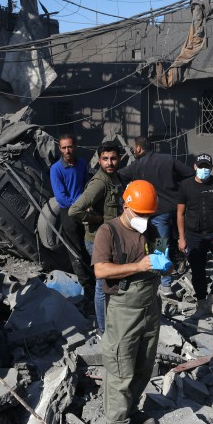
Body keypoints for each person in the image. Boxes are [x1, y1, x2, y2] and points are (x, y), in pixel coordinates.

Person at [92, 180, 172, 424]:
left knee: (143, 365)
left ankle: (131, 410)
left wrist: (167, 264)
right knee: (121, 369)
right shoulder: (108, 231)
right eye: (140, 214)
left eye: (149, 215)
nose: (144, 219)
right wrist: (138, 265)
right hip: (123, 309)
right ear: (126, 207)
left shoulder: (152, 229)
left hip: (150, 305)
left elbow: (164, 260)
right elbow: (100, 271)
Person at [119, 136, 193, 293]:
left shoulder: (138, 165)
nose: (134, 150)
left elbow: (120, 175)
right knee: (179, 241)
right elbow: (189, 174)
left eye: (134, 148)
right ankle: (187, 268)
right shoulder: (168, 159)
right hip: (176, 209)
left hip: (158, 213)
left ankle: (165, 284)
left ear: (138, 148)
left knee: (161, 245)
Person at [67, 140, 124, 332]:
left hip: (112, 239)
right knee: (103, 286)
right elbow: (74, 210)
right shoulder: (100, 183)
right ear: (99, 160)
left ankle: (111, 321)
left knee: (111, 283)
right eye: (105, 159)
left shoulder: (116, 178)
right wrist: (95, 218)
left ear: (119, 159)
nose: (109, 162)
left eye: (113, 158)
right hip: (98, 241)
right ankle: (103, 330)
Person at [176, 152, 213, 319]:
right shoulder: (185, 185)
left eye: (206, 167)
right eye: (200, 166)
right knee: (198, 270)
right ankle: (201, 302)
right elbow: (180, 213)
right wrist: (181, 237)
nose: (203, 170)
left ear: (211, 168)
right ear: (195, 167)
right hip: (194, 235)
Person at [49, 132, 94, 302]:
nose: (67, 150)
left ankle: (96, 278)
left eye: (70, 146)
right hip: (68, 213)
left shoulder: (81, 164)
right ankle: (86, 285)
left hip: (84, 210)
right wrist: (81, 204)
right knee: (75, 251)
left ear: (74, 147)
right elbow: (61, 197)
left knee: (88, 245)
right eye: (64, 147)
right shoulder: (56, 169)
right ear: (60, 149)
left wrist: (87, 204)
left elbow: (86, 185)